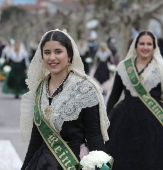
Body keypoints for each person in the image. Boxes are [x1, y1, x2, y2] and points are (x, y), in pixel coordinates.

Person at [20, 29, 110, 170]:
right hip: (42, 163)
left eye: (58, 51)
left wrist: (102, 166)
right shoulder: (40, 89)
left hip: (73, 162)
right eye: (47, 52)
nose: (52, 57)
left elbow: (94, 135)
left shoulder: (85, 88)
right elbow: (37, 137)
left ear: (69, 55)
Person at [105, 31, 163, 170]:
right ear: (135, 45)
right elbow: (114, 95)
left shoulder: (161, 67)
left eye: (149, 44)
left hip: (154, 120)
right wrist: (104, 118)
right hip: (125, 120)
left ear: (154, 47)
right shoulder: (123, 66)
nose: (145, 47)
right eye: (142, 43)